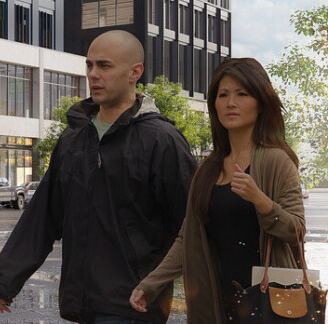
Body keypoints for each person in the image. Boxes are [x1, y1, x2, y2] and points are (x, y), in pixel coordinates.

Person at [0, 30, 195, 324]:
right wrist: (6, 279)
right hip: (82, 301)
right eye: (89, 65)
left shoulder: (162, 140)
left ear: (134, 72)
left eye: (105, 66)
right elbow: (44, 215)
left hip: (134, 305)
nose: (93, 74)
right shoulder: (74, 138)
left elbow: (193, 223)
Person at [131, 58, 306, 324]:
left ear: (260, 102)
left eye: (242, 94)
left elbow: (297, 231)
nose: (230, 103)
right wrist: (151, 284)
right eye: (222, 95)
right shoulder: (208, 170)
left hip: (269, 303)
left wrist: (260, 200)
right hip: (218, 302)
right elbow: (186, 236)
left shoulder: (277, 161)